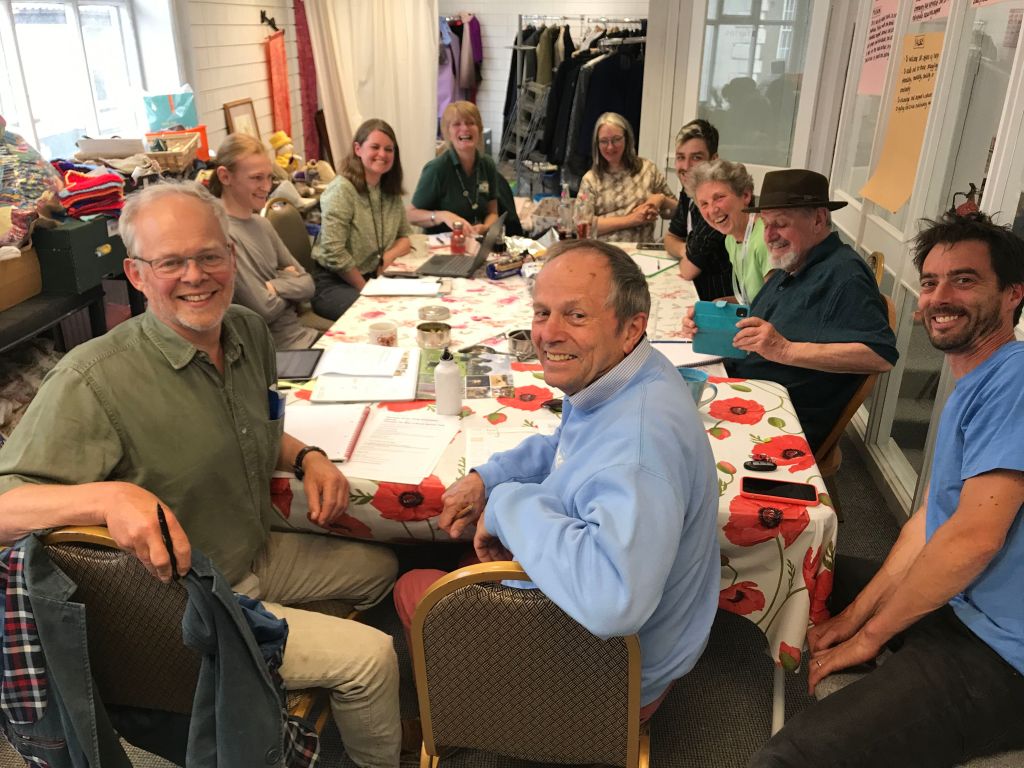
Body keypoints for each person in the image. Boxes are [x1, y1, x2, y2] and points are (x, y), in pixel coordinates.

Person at [0, 182, 402, 768]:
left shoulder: (247, 330)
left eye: (209, 255)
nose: (195, 276)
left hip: (250, 550)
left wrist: (307, 457)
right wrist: (110, 497)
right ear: (136, 275)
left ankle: (289, 691)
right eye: (170, 262)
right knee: (371, 659)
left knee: (382, 568)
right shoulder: (93, 379)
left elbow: (253, 425)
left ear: (232, 257)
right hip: (191, 602)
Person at [394, 239, 721, 719]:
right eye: (542, 312)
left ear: (631, 328)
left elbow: (613, 602)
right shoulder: (629, 373)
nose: (548, 333)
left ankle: (458, 718)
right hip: (642, 633)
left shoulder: (637, 449)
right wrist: (491, 479)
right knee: (464, 554)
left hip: (616, 676)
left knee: (416, 587)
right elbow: (568, 445)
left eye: (576, 316)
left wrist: (507, 503)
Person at [750, 212, 1024, 768]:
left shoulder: (1015, 381)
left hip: (1001, 651)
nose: (940, 297)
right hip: (958, 600)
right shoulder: (978, 379)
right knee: (794, 566)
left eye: (964, 280)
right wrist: (854, 619)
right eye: (930, 282)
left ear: (1013, 294)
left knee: (788, 759)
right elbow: (929, 525)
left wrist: (868, 636)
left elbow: (972, 541)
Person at [682, 169, 898, 453]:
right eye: (765, 224)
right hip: (744, 392)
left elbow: (880, 355)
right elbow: (759, 324)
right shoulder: (793, 261)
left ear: (818, 219)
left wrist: (785, 349)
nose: (769, 236)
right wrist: (709, 324)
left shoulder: (845, 274)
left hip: (777, 422)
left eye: (781, 224)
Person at [210, 133, 319, 349]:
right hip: (275, 353)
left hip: (302, 337)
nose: (267, 186)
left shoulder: (262, 224)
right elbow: (264, 309)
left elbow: (308, 285)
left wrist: (274, 285)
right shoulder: (221, 235)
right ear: (225, 176)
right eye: (256, 178)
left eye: (269, 177)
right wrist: (288, 281)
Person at [311, 118, 413, 320]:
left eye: (389, 149)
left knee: (414, 305)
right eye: (375, 147)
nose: (382, 154)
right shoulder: (342, 190)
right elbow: (334, 252)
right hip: (335, 284)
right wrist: (366, 289)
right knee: (383, 317)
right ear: (358, 149)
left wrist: (387, 257)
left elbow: (405, 238)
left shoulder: (388, 189)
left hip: (373, 276)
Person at [577, 112, 676, 243]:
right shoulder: (591, 180)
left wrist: (661, 200)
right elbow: (583, 227)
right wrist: (632, 219)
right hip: (605, 251)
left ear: (627, 139)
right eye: (604, 141)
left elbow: (677, 212)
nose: (610, 147)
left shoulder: (648, 170)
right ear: (597, 144)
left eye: (616, 139)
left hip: (642, 250)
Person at [685, 158, 773, 303]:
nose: (712, 210)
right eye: (704, 204)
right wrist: (720, 303)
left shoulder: (766, 238)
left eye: (719, 198)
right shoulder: (731, 240)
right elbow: (751, 300)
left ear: (745, 195)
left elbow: (774, 306)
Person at [664, 119, 734, 300]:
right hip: (694, 294)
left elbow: (688, 270)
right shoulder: (689, 192)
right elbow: (670, 238)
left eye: (696, 158)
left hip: (719, 303)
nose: (686, 166)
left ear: (714, 160)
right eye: (680, 157)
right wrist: (686, 250)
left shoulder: (717, 203)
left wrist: (686, 253)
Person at [409, 101, 499, 236]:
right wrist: (443, 216)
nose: (465, 128)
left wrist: (485, 227)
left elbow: (493, 213)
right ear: (448, 133)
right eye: (457, 124)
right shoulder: (436, 169)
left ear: (479, 129)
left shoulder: (487, 164)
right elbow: (410, 215)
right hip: (442, 244)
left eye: (470, 123)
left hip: (475, 242)